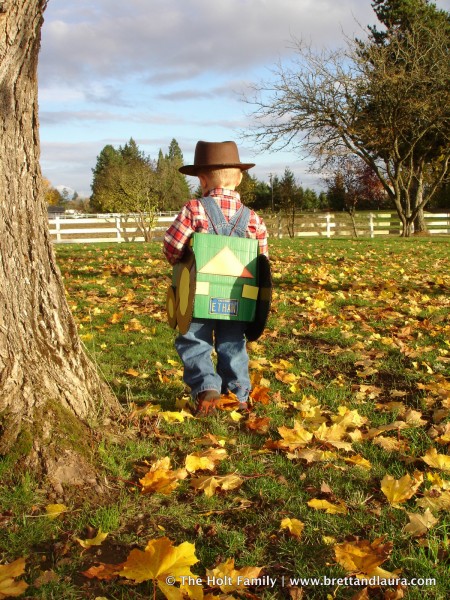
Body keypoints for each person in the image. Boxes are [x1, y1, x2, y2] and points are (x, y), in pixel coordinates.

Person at [163, 140, 268, 414]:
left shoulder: (193, 209)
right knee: (233, 342)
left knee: (194, 339)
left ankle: (207, 387)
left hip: (198, 291)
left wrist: (179, 258)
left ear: (201, 179)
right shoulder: (254, 219)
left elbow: (172, 246)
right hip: (238, 296)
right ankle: (238, 395)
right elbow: (262, 263)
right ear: (240, 178)